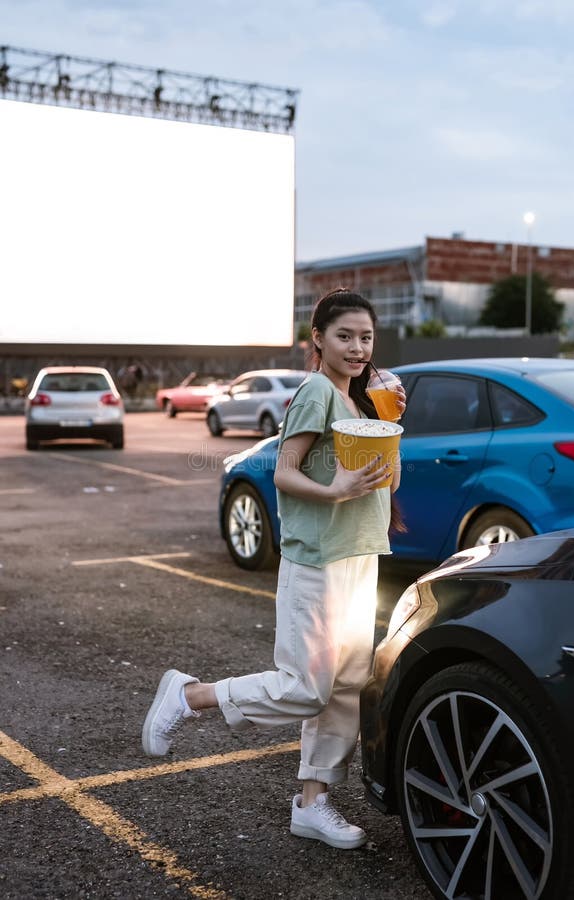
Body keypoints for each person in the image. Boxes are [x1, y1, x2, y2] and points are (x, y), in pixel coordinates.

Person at [142, 288, 406, 850]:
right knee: (307, 688)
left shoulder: (359, 401)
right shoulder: (315, 390)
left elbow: (389, 483)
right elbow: (284, 471)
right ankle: (190, 696)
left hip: (359, 557)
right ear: (318, 339)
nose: (358, 348)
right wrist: (332, 490)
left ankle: (311, 805)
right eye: (345, 336)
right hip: (317, 562)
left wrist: (389, 417)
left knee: (345, 689)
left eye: (366, 337)